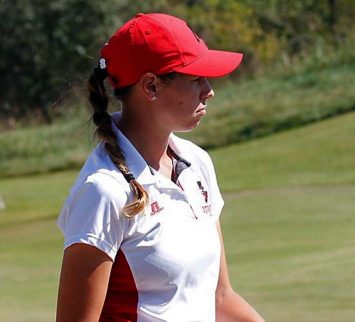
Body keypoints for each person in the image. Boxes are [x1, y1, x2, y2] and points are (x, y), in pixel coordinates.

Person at [56, 13, 264, 322]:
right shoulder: (103, 190)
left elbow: (220, 298)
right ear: (151, 86)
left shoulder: (197, 164)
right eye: (196, 79)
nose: (209, 90)